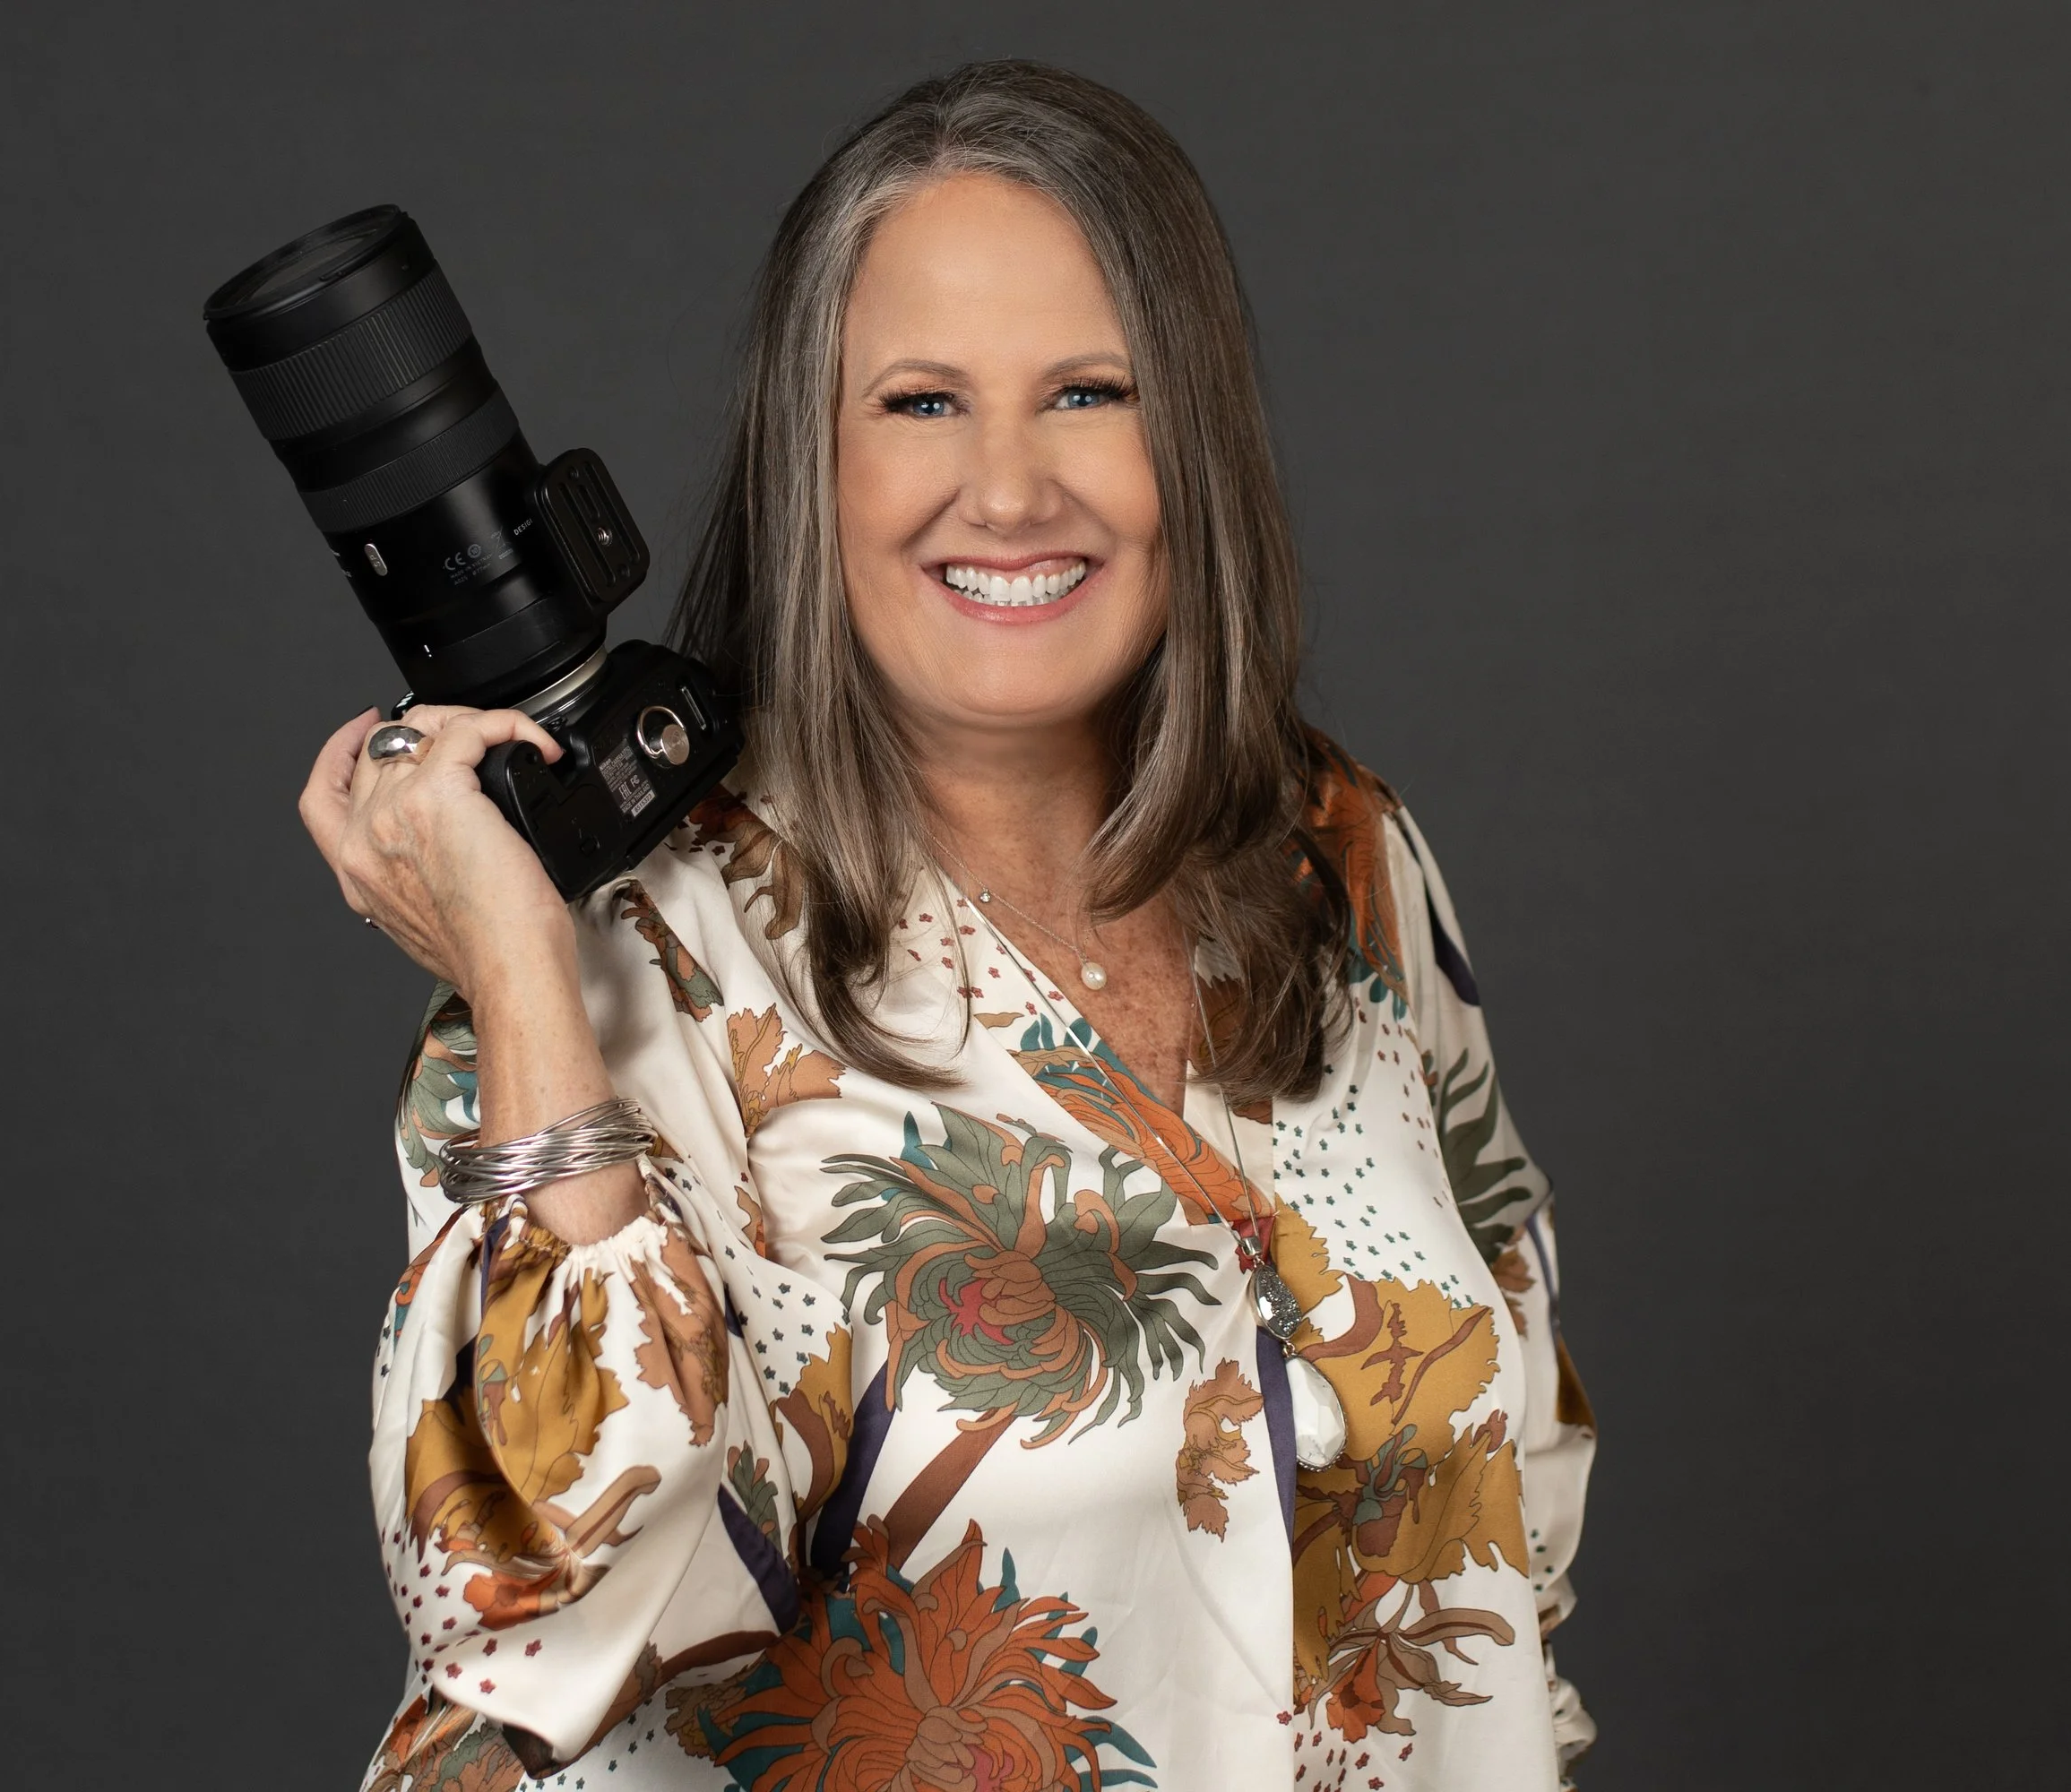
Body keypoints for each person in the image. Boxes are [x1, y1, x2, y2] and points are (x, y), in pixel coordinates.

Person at [300, 60, 1597, 1792]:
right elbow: (530, 1597)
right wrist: (524, 969)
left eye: (1087, 391)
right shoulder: (636, 943)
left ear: (1191, 442)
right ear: (809, 462)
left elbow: (1513, 1488)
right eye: (920, 402)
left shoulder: (1336, 861)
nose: (1007, 490)